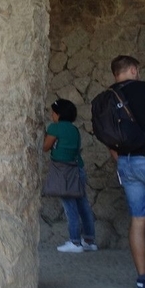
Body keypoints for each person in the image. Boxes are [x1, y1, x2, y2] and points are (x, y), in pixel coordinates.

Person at [107, 55, 145, 288]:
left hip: (126, 164)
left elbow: (107, 135)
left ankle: (143, 280)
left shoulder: (106, 98)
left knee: (138, 220)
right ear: (132, 69)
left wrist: (122, 161)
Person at [43, 99, 97, 253]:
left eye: (53, 112)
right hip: (77, 168)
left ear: (58, 114)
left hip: (63, 171)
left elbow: (45, 147)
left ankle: (75, 241)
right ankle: (89, 240)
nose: (52, 115)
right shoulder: (74, 129)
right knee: (83, 204)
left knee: (69, 206)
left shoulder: (55, 127)